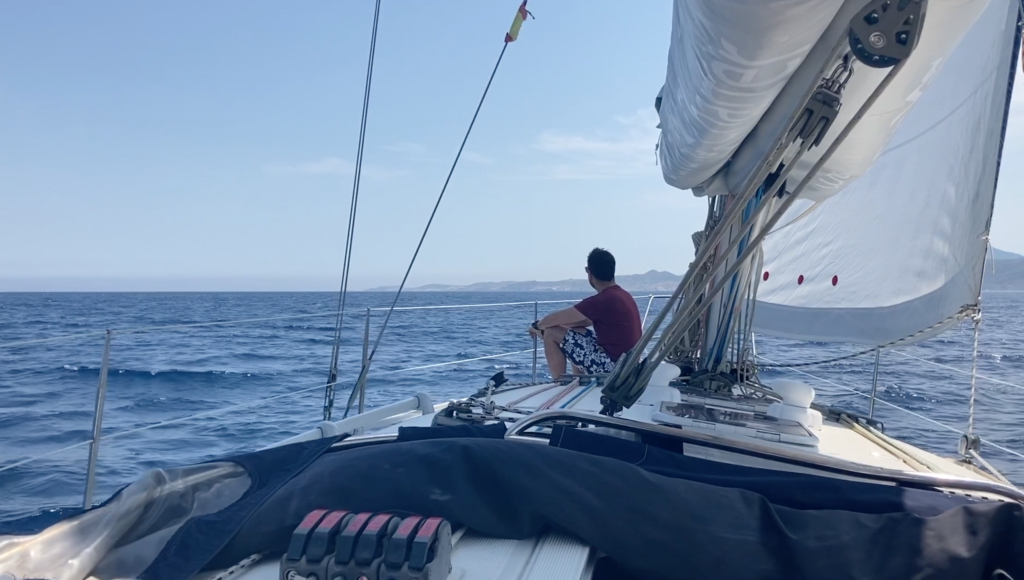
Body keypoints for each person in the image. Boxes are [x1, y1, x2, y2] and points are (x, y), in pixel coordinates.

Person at [528, 248, 642, 379]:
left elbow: (554, 319)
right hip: (628, 365)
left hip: (613, 369)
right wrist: (559, 326)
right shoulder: (622, 295)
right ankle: (579, 380)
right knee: (576, 330)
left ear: (589, 272)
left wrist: (537, 326)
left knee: (551, 332)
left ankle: (559, 383)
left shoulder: (603, 299)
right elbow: (584, 321)